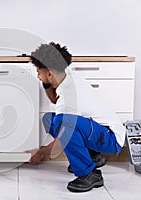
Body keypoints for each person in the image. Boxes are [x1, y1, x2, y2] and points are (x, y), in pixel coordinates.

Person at [29, 42, 125, 192]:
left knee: (62, 123)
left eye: (38, 72)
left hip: (111, 138)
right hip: (100, 130)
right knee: (50, 118)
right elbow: (55, 100)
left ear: (49, 73)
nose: (37, 76)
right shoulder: (69, 76)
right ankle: (92, 156)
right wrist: (46, 84)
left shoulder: (69, 98)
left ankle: (89, 174)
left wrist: (41, 152)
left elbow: (62, 141)